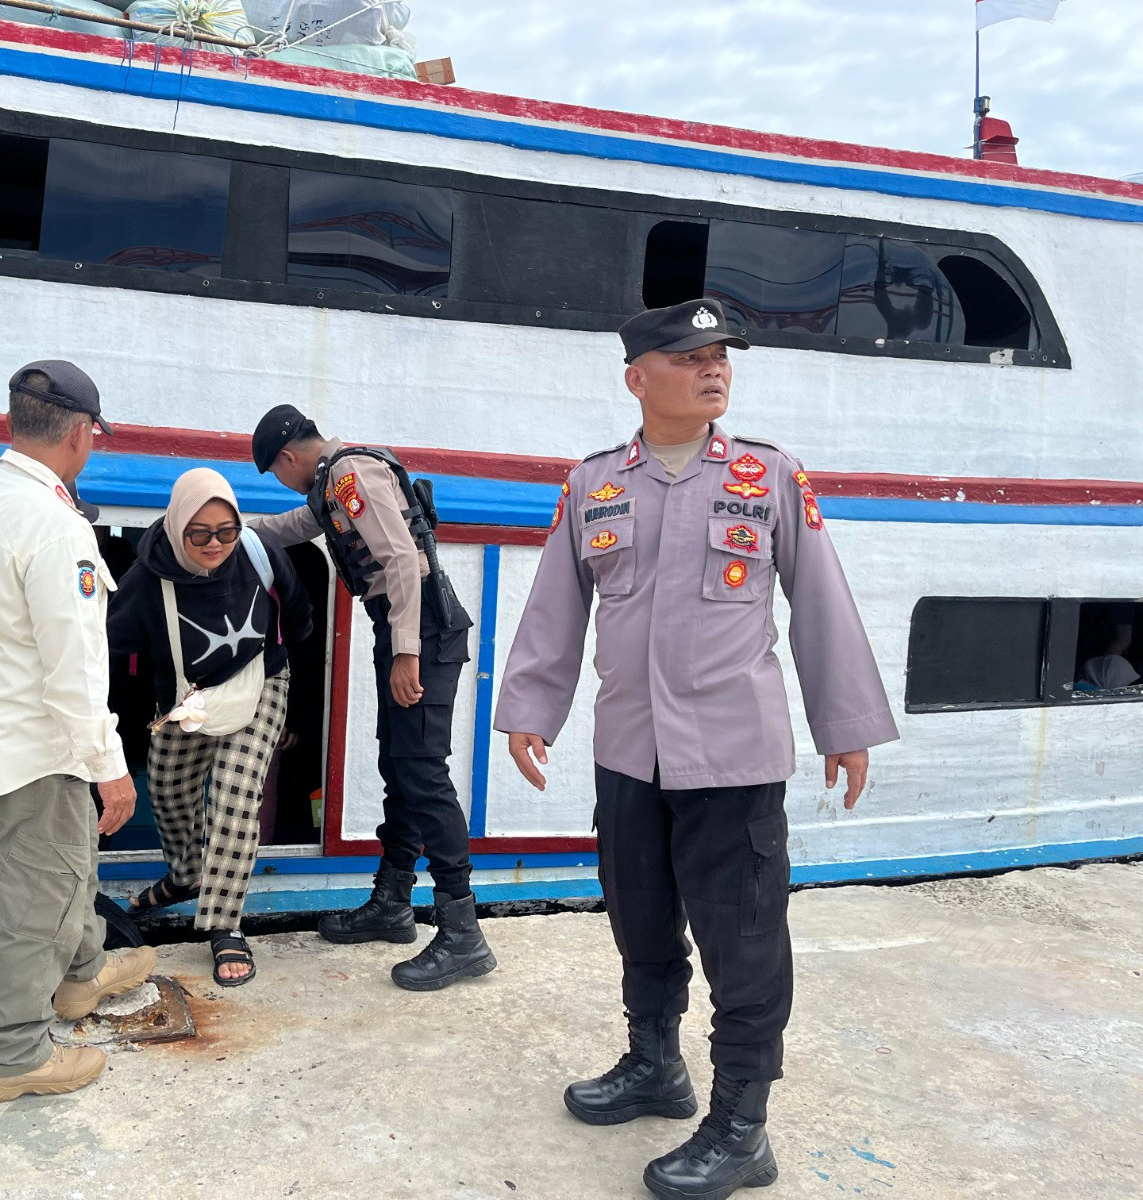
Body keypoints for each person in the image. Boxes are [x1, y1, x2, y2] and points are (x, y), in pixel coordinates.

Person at [494, 299, 900, 1200]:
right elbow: (557, 606)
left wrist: (847, 725)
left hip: (733, 763)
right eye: (688, 356)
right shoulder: (595, 483)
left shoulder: (769, 477)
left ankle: (742, 1126)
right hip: (629, 755)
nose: (713, 369)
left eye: (721, 356)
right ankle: (655, 1068)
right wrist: (532, 706)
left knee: (743, 947)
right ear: (638, 377)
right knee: (640, 922)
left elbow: (821, 603)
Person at [0, 360, 155, 1104]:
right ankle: (13, 1056)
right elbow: (73, 663)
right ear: (78, 433)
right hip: (38, 744)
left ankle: (81, 977)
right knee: (41, 900)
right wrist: (110, 763)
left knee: (63, 874)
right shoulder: (55, 526)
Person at [248, 407, 496, 991]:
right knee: (400, 768)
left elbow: (403, 560)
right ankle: (393, 902)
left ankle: (463, 932)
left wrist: (406, 652)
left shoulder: (349, 475)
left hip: (422, 630)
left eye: (275, 472)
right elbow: (292, 527)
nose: (282, 482)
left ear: (288, 458)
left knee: (422, 772)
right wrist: (232, 526)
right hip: (405, 627)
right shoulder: (332, 484)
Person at [108, 468, 313, 987]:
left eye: (226, 530)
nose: (216, 544)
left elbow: (300, 620)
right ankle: (185, 876)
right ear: (178, 527)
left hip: (259, 681)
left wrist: (297, 710)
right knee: (167, 787)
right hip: (187, 694)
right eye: (200, 533)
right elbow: (109, 650)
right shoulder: (146, 579)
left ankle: (224, 923)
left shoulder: (259, 552)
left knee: (233, 795)